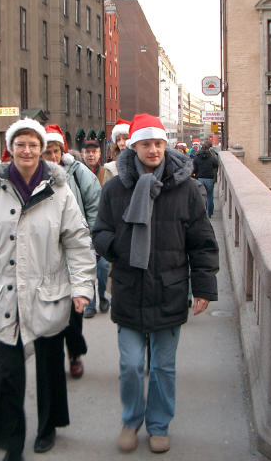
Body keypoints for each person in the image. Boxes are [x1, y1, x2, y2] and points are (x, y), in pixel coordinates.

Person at [0, 118, 96, 461]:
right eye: (20, 144)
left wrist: (82, 287)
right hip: (4, 294)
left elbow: (78, 241)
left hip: (47, 292)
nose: (27, 150)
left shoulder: (59, 191)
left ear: (41, 149)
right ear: (10, 148)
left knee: (49, 367)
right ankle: (12, 442)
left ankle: (48, 426)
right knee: (8, 374)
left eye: (33, 144)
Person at [92, 113, 219, 454]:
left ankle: (159, 425)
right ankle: (131, 421)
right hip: (129, 289)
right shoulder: (115, 188)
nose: (153, 150)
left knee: (163, 366)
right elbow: (99, 231)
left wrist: (203, 288)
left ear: (166, 145)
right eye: (146, 144)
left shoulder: (186, 189)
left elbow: (202, 242)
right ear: (133, 147)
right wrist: (120, 247)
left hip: (170, 289)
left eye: (158, 143)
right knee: (131, 365)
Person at [42, 124, 102, 379]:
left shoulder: (78, 173)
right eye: (48, 152)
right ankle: (53, 361)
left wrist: (91, 241)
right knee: (49, 310)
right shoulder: (31, 177)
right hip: (43, 256)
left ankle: (75, 353)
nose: (53, 157)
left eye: (56, 151)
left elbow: (95, 205)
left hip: (72, 250)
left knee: (73, 308)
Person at [81, 138, 111, 319]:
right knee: (87, 268)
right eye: (88, 152)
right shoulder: (77, 173)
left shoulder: (106, 173)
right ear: (83, 154)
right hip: (83, 229)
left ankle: (102, 296)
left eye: (94, 151)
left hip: (103, 227)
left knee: (102, 267)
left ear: (100, 153)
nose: (91, 155)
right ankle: (90, 304)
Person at [192, 139, 220, 218]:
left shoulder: (197, 157)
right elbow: (216, 164)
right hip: (209, 178)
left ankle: (201, 213)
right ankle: (209, 213)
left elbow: (194, 168)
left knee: (201, 197)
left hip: (200, 178)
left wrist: (195, 175)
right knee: (209, 196)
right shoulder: (211, 157)